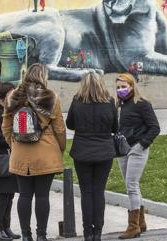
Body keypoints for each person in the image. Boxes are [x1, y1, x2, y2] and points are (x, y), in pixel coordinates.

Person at [2, 63, 66, 241]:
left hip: (20, 153)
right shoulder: (50, 97)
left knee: (24, 195)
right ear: (44, 77)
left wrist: (14, 144)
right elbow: (60, 128)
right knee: (42, 195)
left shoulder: (13, 96)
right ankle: (41, 235)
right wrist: (60, 148)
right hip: (45, 153)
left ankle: (25, 235)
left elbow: (6, 126)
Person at [66, 73, 116, 241]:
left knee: (86, 191)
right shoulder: (109, 102)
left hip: (82, 151)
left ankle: (88, 232)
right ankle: (98, 232)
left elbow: (70, 124)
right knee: (99, 191)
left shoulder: (77, 101)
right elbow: (115, 126)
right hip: (104, 151)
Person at [115, 73, 160, 239]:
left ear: (132, 86)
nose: (121, 90)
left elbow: (155, 127)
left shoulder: (142, 104)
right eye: (118, 87)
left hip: (137, 150)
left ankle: (133, 226)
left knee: (131, 185)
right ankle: (141, 223)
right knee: (132, 186)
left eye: (124, 86)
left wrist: (142, 145)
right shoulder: (118, 105)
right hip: (122, 151)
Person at [0, 81, 20, 241]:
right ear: (2, 98)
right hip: (1, 158)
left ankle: (6, 226)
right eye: (10, 93)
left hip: (11, 157)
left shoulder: (10, 112)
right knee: (1, 196)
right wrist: (13, 136)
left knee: (9, 195)